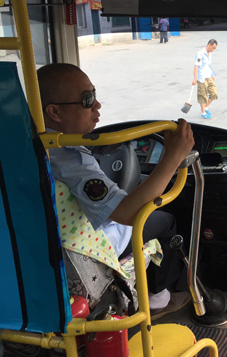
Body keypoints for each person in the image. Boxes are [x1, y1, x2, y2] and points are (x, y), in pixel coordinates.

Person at [38, 63, 194, 320]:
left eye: (94, 95)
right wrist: (173, 157)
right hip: (88, 248)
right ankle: (157, 298)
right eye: (87, 100)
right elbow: (128, 214)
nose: (97, 105)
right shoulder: (70, 159)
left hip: (47, 247)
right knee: (166, 221)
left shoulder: (30, 147)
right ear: (54, 111)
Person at [192, 39, 218, 119]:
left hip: (209, 77)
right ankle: (203, 112)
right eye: (213, 48)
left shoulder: (210, 54)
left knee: (214, 93)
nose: (213, 50)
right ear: (209, 45)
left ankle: (206, 107)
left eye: (215, 48)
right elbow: (196, 67)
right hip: (202, 78)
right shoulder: (200, 54)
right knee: (202, 95)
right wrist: (195, 79)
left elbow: (208, 66)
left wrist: (211, 74)